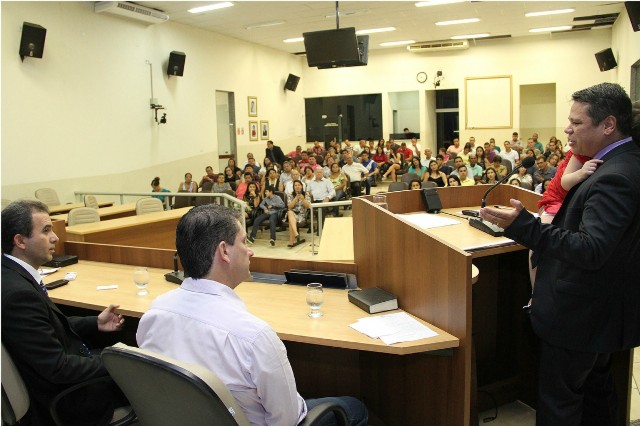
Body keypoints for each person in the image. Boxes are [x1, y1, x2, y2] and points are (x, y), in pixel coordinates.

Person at [480, 83, 640, 426]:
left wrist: (527, 227)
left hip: (582, 315)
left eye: (576, 122)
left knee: (560, 405)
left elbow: (591, 248)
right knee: (597, 395)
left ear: (609, 124)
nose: (567, 129)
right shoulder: (626, 162)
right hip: (604, 313)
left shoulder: (615, 177)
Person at [136, 204, 368, 426]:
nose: (251, 251)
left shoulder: (154, 314)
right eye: (244, 242)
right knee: (355, 407)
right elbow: (288, 420)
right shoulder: (254, 336)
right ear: (224, 251)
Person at [2, 200, 128, 426]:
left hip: (58, 376)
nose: (55, 238)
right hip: (68, 400)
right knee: (153, 378)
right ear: (20, 241)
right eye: (46, 231)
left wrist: (94, 323)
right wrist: (118, 361)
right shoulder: (18, 295)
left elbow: (45, 326)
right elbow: (57, 368)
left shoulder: (10, 274)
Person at [286, 180, 310, 247]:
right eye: (295, 185)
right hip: (292, 213)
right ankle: (296, 233)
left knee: (291, 221)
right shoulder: (290, 195)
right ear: (293, 187)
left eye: (298, 185)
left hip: (302, 214)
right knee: (290, 212)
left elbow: (308, 206)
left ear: (302, 186)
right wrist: (295, 199)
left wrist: (303, 199)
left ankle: (291, 241)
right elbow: (289, 206)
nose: (297, 187)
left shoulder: (306, 195)